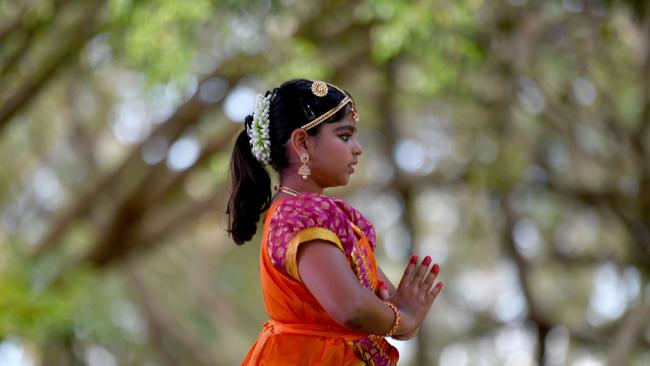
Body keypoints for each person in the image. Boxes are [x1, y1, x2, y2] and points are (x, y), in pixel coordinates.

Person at [227, 79, 443, 365]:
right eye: (344, 136)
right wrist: (403, 319)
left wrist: (402, 315)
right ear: (302, 142)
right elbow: (352, 307)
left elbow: (385, 307)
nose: (358, 149)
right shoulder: (298, 216)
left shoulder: (330, 218)